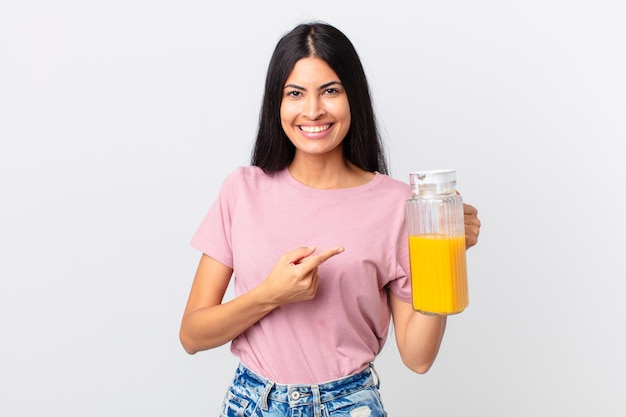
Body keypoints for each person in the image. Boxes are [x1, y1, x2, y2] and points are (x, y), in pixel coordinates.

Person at [180, 21, 481, 417]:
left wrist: (445, 256)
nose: (313, 110)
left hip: (348, 404)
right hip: (251, 403)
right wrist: (272, 293)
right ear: (277, 102)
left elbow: (418, 357)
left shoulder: (397, 205)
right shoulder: (242, 190)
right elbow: (192, 335)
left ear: (352, 97)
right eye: (295, 93)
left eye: (330, 91)